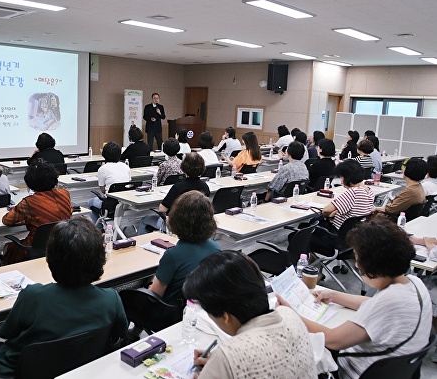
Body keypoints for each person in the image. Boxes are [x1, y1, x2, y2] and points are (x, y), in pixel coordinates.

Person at [0, 217, 128, 376]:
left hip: (22, 371)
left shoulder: (33, 296)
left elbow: (6, 333)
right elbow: (119, 335)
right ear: (100, 259)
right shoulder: (111, 299)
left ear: (50, 258)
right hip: (79, 369)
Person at [278, 217, 432, 379]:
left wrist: (292, 314)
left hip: (354, 371)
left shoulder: (389, 301)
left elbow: (333, 340)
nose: (357, 265)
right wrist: (335, 295)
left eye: (358, 260)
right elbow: (373, 303)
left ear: (372, 265)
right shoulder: (414, 284)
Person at [185, 251, 317, 379]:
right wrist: (221, 368)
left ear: (225, 316)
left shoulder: (228, 355)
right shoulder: (289, 314)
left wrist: (220, 366)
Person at [148, 190, 220, 304]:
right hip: (200, 306)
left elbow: (155, 294)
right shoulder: (215, 248)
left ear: (176, 219)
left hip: (171, 312)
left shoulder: (173, 255)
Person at [2, 160, 72, 264]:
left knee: (9, 248)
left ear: (30, 182)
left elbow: (7, 220)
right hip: (63, 244)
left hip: (37, 247)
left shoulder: (29, 202)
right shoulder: (65, 194)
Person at [309, 160, 374, 253]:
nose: (341, 181)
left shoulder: (353, 192)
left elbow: (326, 211)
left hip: (336, 240)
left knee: (302, 232)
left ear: (347, 178)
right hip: (354, 238)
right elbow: (354, 211)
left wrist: (329, 216)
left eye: (341, 177)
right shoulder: (368, 191)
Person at [138, 152, 209, 234]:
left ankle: (141, 245)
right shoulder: (205, 187)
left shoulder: (178, 187)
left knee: (144, 220)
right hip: (196, 226)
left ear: (183, 167)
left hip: (176, 226)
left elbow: (162, 209)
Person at [87, 142, 131, 223]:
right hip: (126, 203)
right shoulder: (126, 167)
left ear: (104, 154)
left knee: (90, 202)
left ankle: (99, 227)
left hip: (110, 205)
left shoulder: (103, 169)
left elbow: (103, 190)